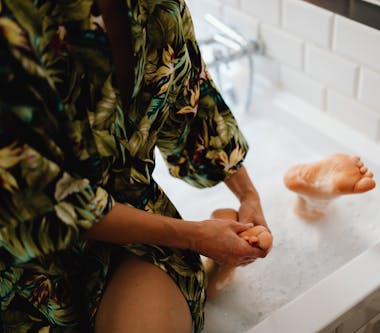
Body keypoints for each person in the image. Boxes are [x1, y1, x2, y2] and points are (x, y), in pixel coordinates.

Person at [0, 0, 270, 332]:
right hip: (19, 255)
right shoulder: (14, 18)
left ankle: (213, 271)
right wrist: (196, 236)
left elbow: (192, 99)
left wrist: (248, 196)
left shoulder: (157, 6)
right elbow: (34, 195)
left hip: (138, 228)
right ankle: (214, 270)